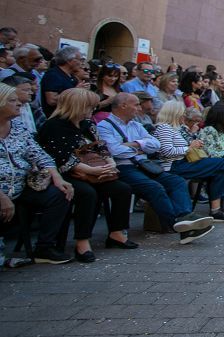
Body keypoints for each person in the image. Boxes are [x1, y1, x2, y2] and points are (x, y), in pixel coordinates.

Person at [96, 93, 214, 244]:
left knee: (175, 181)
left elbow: (155, 145)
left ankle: (186, 217)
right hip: (124, 167)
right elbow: (114, 150)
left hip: (145, 166)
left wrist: (135, 145)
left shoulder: (136, 125)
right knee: (155, 187)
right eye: (136, 104)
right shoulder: (104, 126)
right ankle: (179, 224)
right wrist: (141, 146)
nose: (139, 108)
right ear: (123, 105)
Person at [37, 89, 137, 261]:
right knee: (87, 193)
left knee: (122, 189)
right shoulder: (54, 126)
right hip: (64, 173)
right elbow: (61, 159)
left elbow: (101, 147)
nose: (93, 109)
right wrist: (91, 170)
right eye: (90, 106)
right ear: (78, 106)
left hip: (92, 170)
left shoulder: (87, 124)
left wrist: (110, 163)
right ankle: (82, 241)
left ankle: (116, 233)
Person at [0, 83, 76, 264]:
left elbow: (39, 154)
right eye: (12, 100)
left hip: (21, 185)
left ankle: (44, 247)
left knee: (60, 193)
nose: (19, 104)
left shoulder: (17, 127)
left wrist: (57, 178)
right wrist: (2, 197)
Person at [154, 102, 224, 223]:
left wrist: (191, 141)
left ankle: (216, 210)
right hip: (174, 165)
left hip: (182, 162)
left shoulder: (173, 129)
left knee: (219, 171)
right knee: (221, 163)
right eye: (181, 114)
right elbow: (167, 151)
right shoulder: (164, 128)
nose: (183, 117)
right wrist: (189, 147)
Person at [40, 46, 84, 117]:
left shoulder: (72, 77)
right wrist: (75, 90)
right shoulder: (53, 75)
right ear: (69, 60)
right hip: (56, 119)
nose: (82, 63)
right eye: (80, 60)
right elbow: (52, 100)